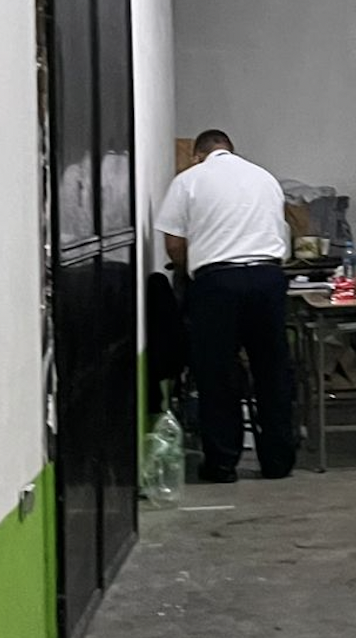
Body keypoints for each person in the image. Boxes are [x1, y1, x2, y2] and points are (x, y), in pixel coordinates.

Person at [155, 129, 295, 482]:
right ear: (230, 150)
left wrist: (189, 270)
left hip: (218, 283)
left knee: (217, 374)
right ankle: (278, 461)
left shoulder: (188, 180)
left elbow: (174, 244)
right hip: (267, 279)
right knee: (272, 371)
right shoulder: (264, 178)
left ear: (197, 155)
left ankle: (222, 463)